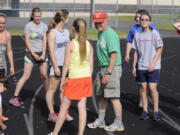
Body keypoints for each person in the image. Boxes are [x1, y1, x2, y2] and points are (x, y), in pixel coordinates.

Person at [48, 18, 93, 135]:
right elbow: (91, 67)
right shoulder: (89, 45)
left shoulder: (71, 44)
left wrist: (63, 81)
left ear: (73, 28)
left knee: (63, 108)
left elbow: (66, 65)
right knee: (82, 107)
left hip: (75, 79)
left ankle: (55, 133)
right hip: (86, 78)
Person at [87, 11, 124, 132]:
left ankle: (118, 123)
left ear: (106, 20)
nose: (98, 25)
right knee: (101, 96)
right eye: (96, 23)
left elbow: (113, 55)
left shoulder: (110, 34)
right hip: (101, 68)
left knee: (113, 97)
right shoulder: (101, 33)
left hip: (110, 69)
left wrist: (108, 73)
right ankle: (101, 120)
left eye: (100, 22)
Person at [9, 7, 49, 106]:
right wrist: (34, 54)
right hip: (31, 54)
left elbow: (45, 40)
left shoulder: (44, 26)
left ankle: (49, 95)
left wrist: (43, 53)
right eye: (36, 16)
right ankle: (14, 97)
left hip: (42, 53)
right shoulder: (28, 26)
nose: (38, 18)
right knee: (26, 76)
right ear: (32, 16)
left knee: (44, 76)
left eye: (39, 16)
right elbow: (27, 41)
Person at [125, 9, 161, 108]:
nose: (137, 18)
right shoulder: (134, 29)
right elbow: (129, 41)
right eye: (136, 17)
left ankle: (154, 106)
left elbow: (159, 45)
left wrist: (155, 61)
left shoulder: (152, 29)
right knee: (141, 83)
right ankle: (143, 100)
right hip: (140, 59)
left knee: (151, 85)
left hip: (151, 61)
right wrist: (127, 53)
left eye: (139, 17)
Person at [132, 12, 163, 121]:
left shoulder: (154, 33)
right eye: (142, 19)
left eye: (146, 20)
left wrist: (153, 63)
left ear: (150, 22)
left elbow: (160, 48)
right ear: (139, 21)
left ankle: (155, 111)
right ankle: (145, 111)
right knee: (143, 88)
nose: (144, 21)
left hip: (153, 66)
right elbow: (136, 51)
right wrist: (134, 66)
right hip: (141, 66)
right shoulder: (137, 34)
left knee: (152, 88)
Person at [46, 10, 73, 122]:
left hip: (66, 66)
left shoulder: (66, 32)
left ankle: (64, 112)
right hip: (57, 66)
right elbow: (51, 51)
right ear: (63, 19)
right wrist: (56, 67)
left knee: (65, 91)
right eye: (68, 18)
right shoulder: (52, 33)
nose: (69, 20)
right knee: (52, 89)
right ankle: (52, 113)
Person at [0, 13, 14, 121]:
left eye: (3, 23)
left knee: (1, 89)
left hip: (2, 66)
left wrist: (12, 66)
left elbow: (9, 51)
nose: (1, 25)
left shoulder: (8, 35)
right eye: (0, 23)